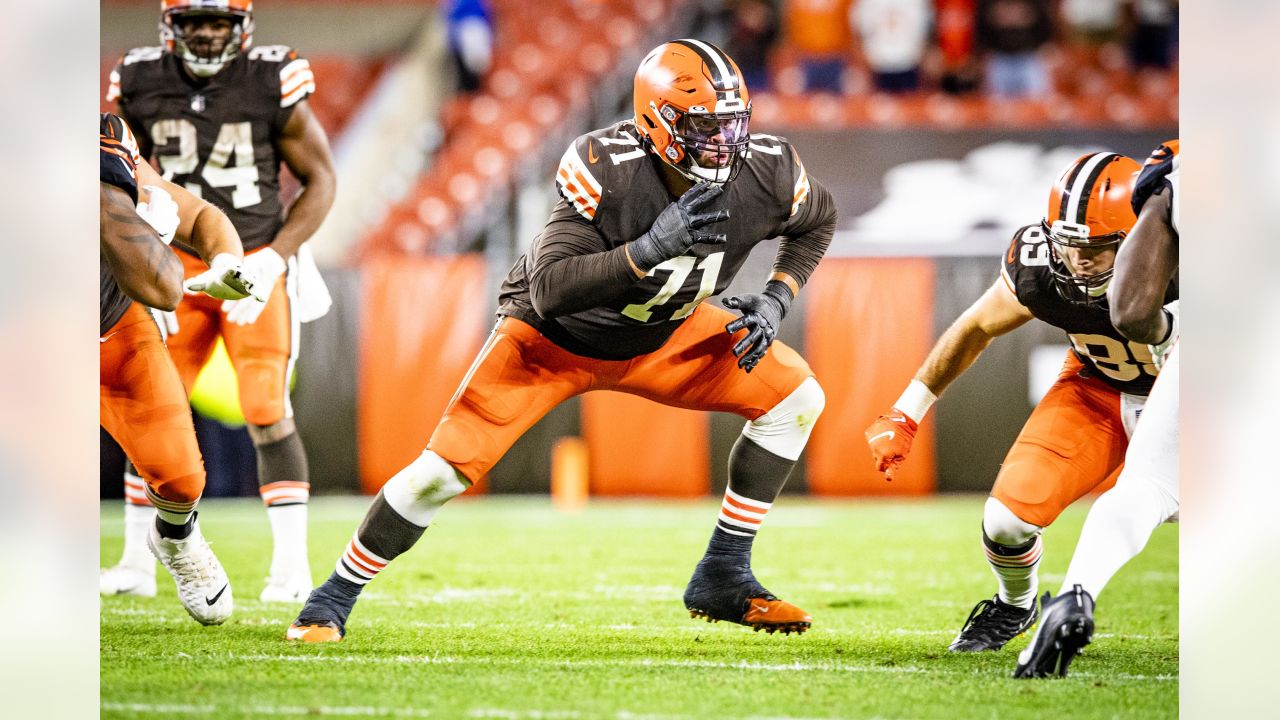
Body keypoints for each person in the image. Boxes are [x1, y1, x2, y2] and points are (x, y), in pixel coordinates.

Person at [288, 38, 836, 642]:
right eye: (706, 128)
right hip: (548, 344)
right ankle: (331, 598)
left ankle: (724, 574)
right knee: (440, 473)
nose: (724, 145)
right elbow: (550, 289)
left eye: (733, 127)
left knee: (796, 398)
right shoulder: (608, 165)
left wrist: (778, 296)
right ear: (658, 121)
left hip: (664, 335)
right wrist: (652, 247)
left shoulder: (768, 169)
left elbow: (817, 221)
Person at [865, 150, 1177, 653]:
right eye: (1068, 243)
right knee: (1006, 521)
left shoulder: (1195, 258)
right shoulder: (1040, 264)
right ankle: (1015, 603)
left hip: (1193, 403)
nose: (1078, 260)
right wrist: (907, 409)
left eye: (1096, 247)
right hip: (1097, 390)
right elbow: (976, 326)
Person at [102, 0, 337, 603]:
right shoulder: (138, 78)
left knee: (264, 400)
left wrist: (274, 256)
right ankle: (137, 559)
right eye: (193, 23)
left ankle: (290, 568)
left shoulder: (271, 78)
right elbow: (125, 176)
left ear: (242, 28)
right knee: (155, 403)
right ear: (170, 28)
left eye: (219, 23)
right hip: (168, 264)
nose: (207, 34)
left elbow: (322, 179)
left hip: (252, 261)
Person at [1014, 140, 1180, 678]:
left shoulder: (1175, 166)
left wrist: (1173, 328)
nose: (1082, 257)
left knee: (1146, 486)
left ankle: (1075, 593)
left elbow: (1133, 312)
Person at [100, 111, 260, 624]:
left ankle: (175, 535)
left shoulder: (99, 152)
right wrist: (150, 233)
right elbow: (164, 284)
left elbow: (198, 218)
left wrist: (224, 263)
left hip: (111, 331)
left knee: (181, 479)